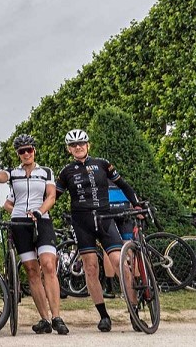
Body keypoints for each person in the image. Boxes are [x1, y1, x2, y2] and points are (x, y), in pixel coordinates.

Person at [0, 134, 68, 335]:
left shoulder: (46, 172)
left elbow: (51, 196)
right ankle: (45, 319)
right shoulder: (13, 173)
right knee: (31, 270)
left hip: (41, 220)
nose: (26, 154)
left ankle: (57, 317)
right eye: (22, 151)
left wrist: (39, 211)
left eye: (29, 150)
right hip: (19, 222)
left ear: (34, 150)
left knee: (48, 264)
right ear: (18, 154)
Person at [55, 129, 140, 332]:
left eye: (81, 143)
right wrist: (39, 211)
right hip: (81, 222)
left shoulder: (102, 164)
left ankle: (134, 311)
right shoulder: (66, 172)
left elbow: (123, 185)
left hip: (105, 219)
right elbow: (53, 197)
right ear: (69, 149)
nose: (78, 147)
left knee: (120, 262)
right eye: (74, 145)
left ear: (88, 145)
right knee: (91, 267)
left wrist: (136, 204)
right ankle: (103, 316)